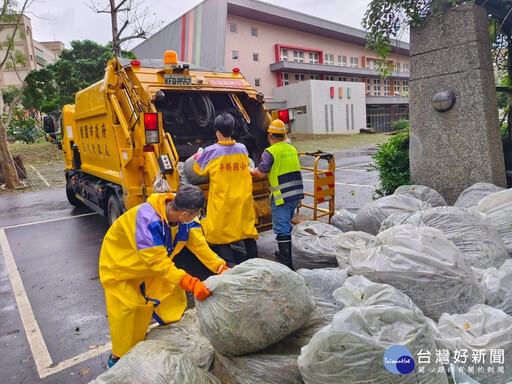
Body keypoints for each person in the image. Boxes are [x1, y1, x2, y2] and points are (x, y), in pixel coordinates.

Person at [99, 184, 229, 368]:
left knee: (171, 296)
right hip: (122, 267)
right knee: (128, 315)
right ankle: (118, 360)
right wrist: (191, 283)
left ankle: (161, 338)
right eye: (196, 213)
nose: (197, 217)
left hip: (151, 267)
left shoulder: (186, 220)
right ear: (185, 214)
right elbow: (158, 262)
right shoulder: (147, 219)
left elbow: (200, 247)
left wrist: (220, 266)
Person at [193, 112, 259, 267]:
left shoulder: (211, 151)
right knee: (246, 230)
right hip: (243, 197)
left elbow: (198, 170)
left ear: (217, 132)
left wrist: (198, 157)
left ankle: (229, 263)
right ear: (233, 130)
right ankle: (255, 260)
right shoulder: (242, 149)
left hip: (224, 200)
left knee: (222, 232)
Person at [250, 119, 303, 270]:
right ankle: (286, 253)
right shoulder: (291, 149)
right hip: (295, 194)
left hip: (281, 197)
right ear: (284, 135)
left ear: (269, 136)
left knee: (282, 230)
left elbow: (260, 174)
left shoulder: (270, 152)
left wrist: (247, 169)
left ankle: (287, 265)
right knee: (287, 225)